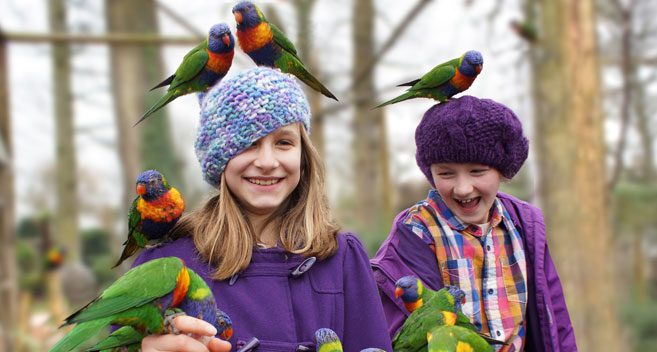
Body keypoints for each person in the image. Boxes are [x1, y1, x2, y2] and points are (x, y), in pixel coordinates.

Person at [137, 67, 392, 352]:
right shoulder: (167, 264)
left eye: (284, 142)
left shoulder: (341, 257)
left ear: (303, 154)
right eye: (248, 143)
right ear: (219, 160)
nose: (268, 161)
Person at [371, 96, 577, 351]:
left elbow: (555, 320)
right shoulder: (414, 234)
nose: (463, 188)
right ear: (430, 172)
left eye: (477, 171)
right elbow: (404, 335)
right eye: (446, 173)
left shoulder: (525, 226)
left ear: (502, 169)